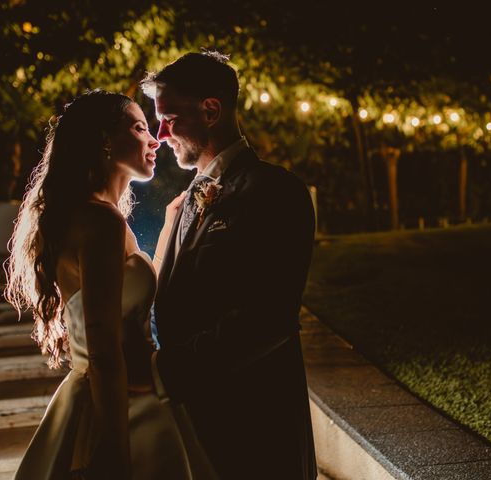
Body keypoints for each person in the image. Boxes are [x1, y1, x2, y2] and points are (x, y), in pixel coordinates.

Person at [4, 89, 215, 479]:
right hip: (123, 406)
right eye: (138, 127)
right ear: (104, 139)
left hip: (127, 393)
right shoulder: (101, 222)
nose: (154, 139)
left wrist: (172, 223)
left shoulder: (98, 216)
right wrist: (115, 450)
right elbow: (102, 344)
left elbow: (125, 300)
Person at [142, 51, 318, 479]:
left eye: (168, 117)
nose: (160, 134)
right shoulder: (184, 203)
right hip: (194, 424)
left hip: (255, 429)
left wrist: (166, 372)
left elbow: (267, 318)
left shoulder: (275, 192)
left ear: (211, 110)